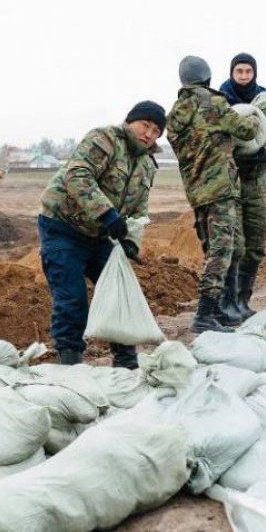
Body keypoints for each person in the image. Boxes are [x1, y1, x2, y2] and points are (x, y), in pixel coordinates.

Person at [38, 101, 164, 369]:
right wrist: (107, 214)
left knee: (119, 292)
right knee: (72, 297)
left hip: (100, 236)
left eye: (156, 131)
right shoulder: (104, 139)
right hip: (63, 226)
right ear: (131, 121)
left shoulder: (147, 164)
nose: (149, 134)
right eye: (145, 125)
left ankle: (126, 362)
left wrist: (131, 240)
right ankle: (70, 362)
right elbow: (78, 175)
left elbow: (139, 207)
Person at [166, 55, 257, 333]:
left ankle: (217, 311)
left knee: (212, 248)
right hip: (220, 189)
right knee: (221, 251)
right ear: (206, 77)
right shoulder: (214, 103)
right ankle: (204, 315)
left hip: (196, 192)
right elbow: (244, 128)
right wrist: (253, 116)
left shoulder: (176, 113)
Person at [219, 52, 266, 319]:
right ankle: (227, 302)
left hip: (256, 181)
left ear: (254, 73)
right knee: (234, 245)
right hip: (228, 181)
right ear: (232, 73)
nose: (244, 76)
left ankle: (244, 300)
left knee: (256, 243)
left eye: (248, 71)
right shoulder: (221, 100)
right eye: (239, 71)